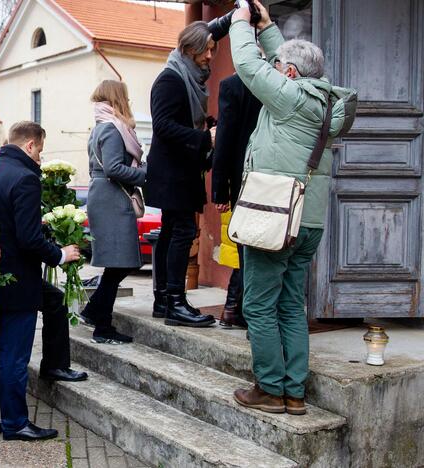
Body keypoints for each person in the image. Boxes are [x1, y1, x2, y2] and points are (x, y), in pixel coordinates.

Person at [229, 1, 356, 415]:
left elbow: (249, 66)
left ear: (289, 74)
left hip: (276, 217)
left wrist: (241, 23)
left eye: (281, 67)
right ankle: (294, 392)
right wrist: (269, 29)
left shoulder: (288, 99)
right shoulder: (323, 102)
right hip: (309, 220)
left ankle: (269, 387)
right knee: (288, 304)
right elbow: (286, 65)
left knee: (259, 305)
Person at [0, 121, 80, 441]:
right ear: (31, 145)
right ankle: (15, 422)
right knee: (13, 356)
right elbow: (30, 238)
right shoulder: (25, 177)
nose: (40, 160)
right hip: (18, 280)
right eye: (40, 152)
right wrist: (60, 254)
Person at [144, 21, 218, 328]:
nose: (211, 56)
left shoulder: (187, 78)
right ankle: (174, 302)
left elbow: (182, 120)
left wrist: (205, 126)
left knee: (173, 231)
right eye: (208, 49)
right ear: (190, 49)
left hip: (179, 171)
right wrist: (205, 137)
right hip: (172, 173)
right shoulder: (171, 79)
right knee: (182, 232)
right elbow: (162, 125)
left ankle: (165, 299)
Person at [78, 80, 148, 344]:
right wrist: (143, 174)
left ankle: (95, 313)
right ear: (119, 98)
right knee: (120, 262)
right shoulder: (111, 128)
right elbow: (113, 168)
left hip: (107, 197)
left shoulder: (103, 126)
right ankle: (101, 324)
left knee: (120, 262)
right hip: (111, 199)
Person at [212, 72, 262, 328]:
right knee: (248, 247)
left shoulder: (235, 84)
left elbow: (224, 138)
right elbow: (225, 137)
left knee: (246, 247)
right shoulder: (236, 84)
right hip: (251, 179)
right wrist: (220, 189)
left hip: (244, 178)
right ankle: (236, 309)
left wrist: (220, 188)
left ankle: (234, 308)